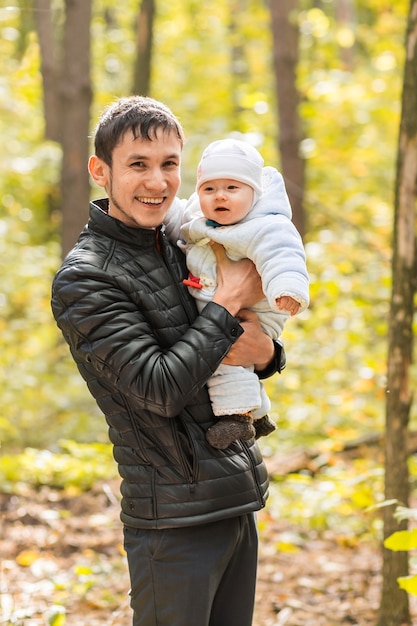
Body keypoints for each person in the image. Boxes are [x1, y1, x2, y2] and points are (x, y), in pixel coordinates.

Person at [51, 95, 287, 626]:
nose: (157, 182)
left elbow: (236, 342)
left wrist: (269, 354)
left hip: (235, 499)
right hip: (173, 524)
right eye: (138, 165)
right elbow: (158, 390)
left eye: (169, 164)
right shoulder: (86, 278)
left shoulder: (186, 239)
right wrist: (227, 300)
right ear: (100, 171)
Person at [164, 138, 309, 450]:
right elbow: (177, 220)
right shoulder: (200, 217)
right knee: (223, 348)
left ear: (253, 194)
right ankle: (260, 416)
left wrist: (288, 287)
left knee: (224, 357)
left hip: (260, 309)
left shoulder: (264, 225)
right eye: (209, 189)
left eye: (232, 188)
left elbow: (283, 254)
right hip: (220, 301)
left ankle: (237, 418)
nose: (220, 196)